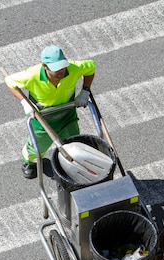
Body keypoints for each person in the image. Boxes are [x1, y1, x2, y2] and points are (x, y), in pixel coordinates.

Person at [5, 45, 96, 179]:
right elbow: (10, 82)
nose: (62, 71)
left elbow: (91, 68)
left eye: (63, 66)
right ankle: (29, 163)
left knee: (73, 145)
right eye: (57, 68)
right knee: (36, 148)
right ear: (45, 66)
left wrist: (85, 91)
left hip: (67, 115)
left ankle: (69, 165)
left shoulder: (73, 68)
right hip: (42, 119)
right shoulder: (32, 75)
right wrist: (24, 102)